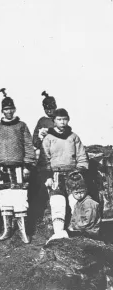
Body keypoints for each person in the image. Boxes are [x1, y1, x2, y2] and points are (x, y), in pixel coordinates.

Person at [0, 88, 36, 243]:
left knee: (20, 199)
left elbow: (29, 145)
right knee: (4, 198)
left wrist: (28, 165)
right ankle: (8, 230)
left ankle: (23, 232)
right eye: (5, 109)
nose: (8, 112)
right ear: (2, 111)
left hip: (19, 168)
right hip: (1, 169)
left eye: (10, 109)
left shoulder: (21, 126)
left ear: (14, 110)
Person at [39, 108, 89, 242]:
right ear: (54, 121)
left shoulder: (73, 137)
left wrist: (80, 171)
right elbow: (44, 160)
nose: (62, 122)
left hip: (73, 174)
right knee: (57, 203)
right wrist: (47, 176)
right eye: (59, 119)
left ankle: (79, 232)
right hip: (56, 175)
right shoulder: (48, 139)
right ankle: (58, 233)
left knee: (76, 202)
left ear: (68, 120)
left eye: (65, 119)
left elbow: (82, 156)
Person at [28, 91, 58, 235]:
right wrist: (40, 136)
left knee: (56, 186)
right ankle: (41, 216)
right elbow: (34, 141)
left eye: (51, 108)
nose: (49, 111)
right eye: (47, 109)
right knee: (42, 185)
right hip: (44, 159)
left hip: (57, 158)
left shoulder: (60, 119)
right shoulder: (41, 121)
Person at [66, 171, 101, 239]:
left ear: (86, 189)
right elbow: (74, 218)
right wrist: (71, 225)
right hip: (82, 230)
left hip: (90, 232)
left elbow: (88, 221)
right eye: (76, 193)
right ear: (71, 192)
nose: (79, 195)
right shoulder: (78, 203)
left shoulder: (89, 203)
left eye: (82, 192)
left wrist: (75, 227)